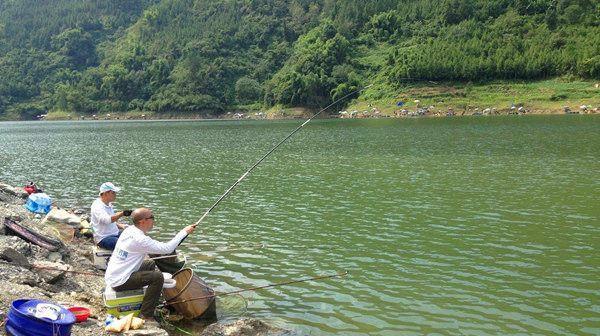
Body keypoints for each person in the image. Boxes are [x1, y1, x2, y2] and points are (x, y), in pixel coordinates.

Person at [104, 208, 196, 321]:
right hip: (119, 281)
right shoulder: (140, 240)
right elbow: (167, 248)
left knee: (150, 264)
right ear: (142, 221)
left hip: (114, 275)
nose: (153, 220)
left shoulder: (130, 230)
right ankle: (146, 314)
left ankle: (148, 297)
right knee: (157, 277)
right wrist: (185, 231)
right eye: (152, 218)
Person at [91, 182, 132, 250]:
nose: (115, 195)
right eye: (113, 193)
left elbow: (111, 220)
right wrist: (121, 214)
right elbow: (107, 220)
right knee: (124, 245)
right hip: (103, 238)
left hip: (114, 233)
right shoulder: (97, 206)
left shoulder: (108, 204)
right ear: (106, 193)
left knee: (133, 236)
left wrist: (121, 225)